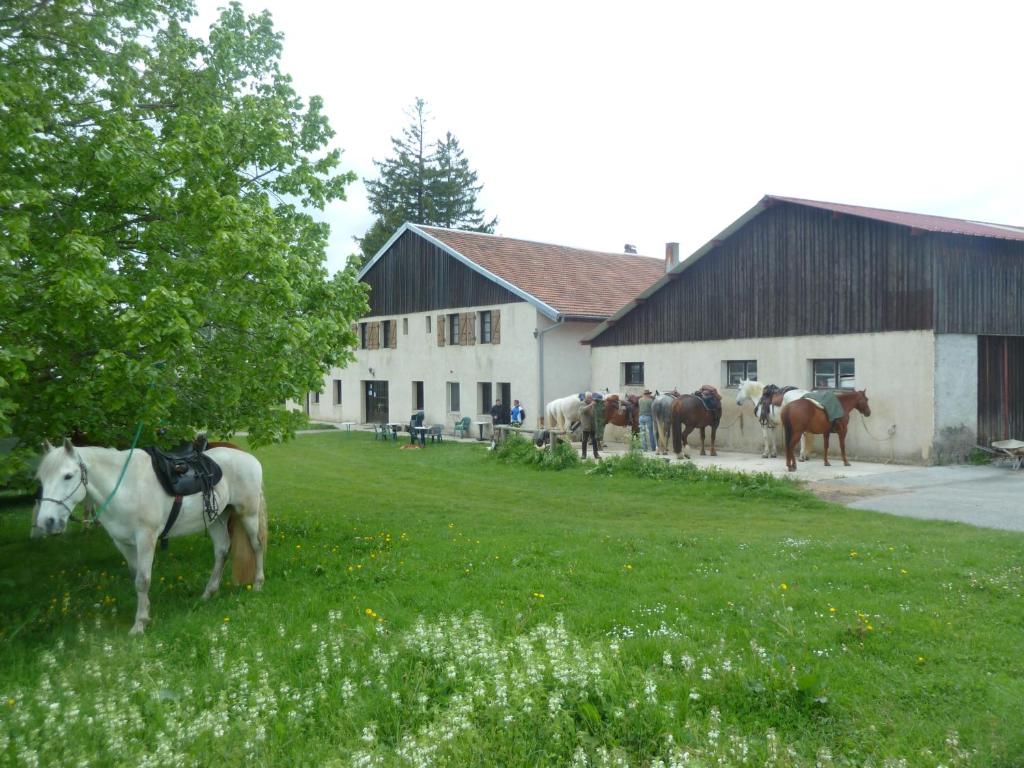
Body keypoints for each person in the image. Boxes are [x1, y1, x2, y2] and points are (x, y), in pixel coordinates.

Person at [578, 393, 600, 460]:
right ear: (586, 398)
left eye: (591, 398)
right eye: (590, 398)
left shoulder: (592, 404)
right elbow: (582, 410)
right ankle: (583, 454)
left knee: (594, 440)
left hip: (592, 425)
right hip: (586, 426)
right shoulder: (582, 403)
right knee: (584, 441)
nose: (591, 399)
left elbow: (594, 414)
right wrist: (591, 405)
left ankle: (596, 454)